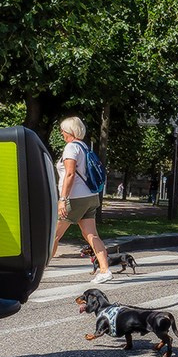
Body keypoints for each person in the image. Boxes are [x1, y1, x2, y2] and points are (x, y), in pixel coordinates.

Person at [52, 117, 113, 284]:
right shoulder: (84, 147)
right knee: (91, 234)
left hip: (75, 198)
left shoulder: (71, 148)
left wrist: (62, 199)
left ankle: (37, 270)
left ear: (70, 132)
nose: (61, 133)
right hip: (90, 196)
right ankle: (104, 270)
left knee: (54, 236)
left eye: (63, 130)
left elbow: (70, 174)